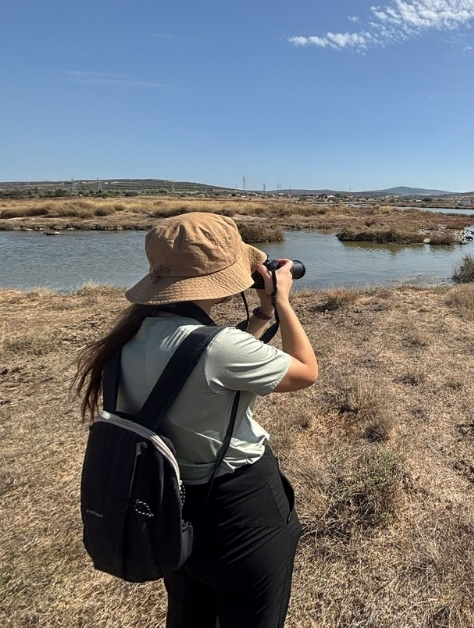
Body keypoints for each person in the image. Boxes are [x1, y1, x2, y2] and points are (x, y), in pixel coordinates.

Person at [74, 212, 318, 628]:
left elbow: (199, 362)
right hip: (241, 507)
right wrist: (280, 302)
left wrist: (259, 317)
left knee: (190, 610)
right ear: (221, 277)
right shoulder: (222, 348)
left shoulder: (129, 336)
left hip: (167, 500)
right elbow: (305, 371)